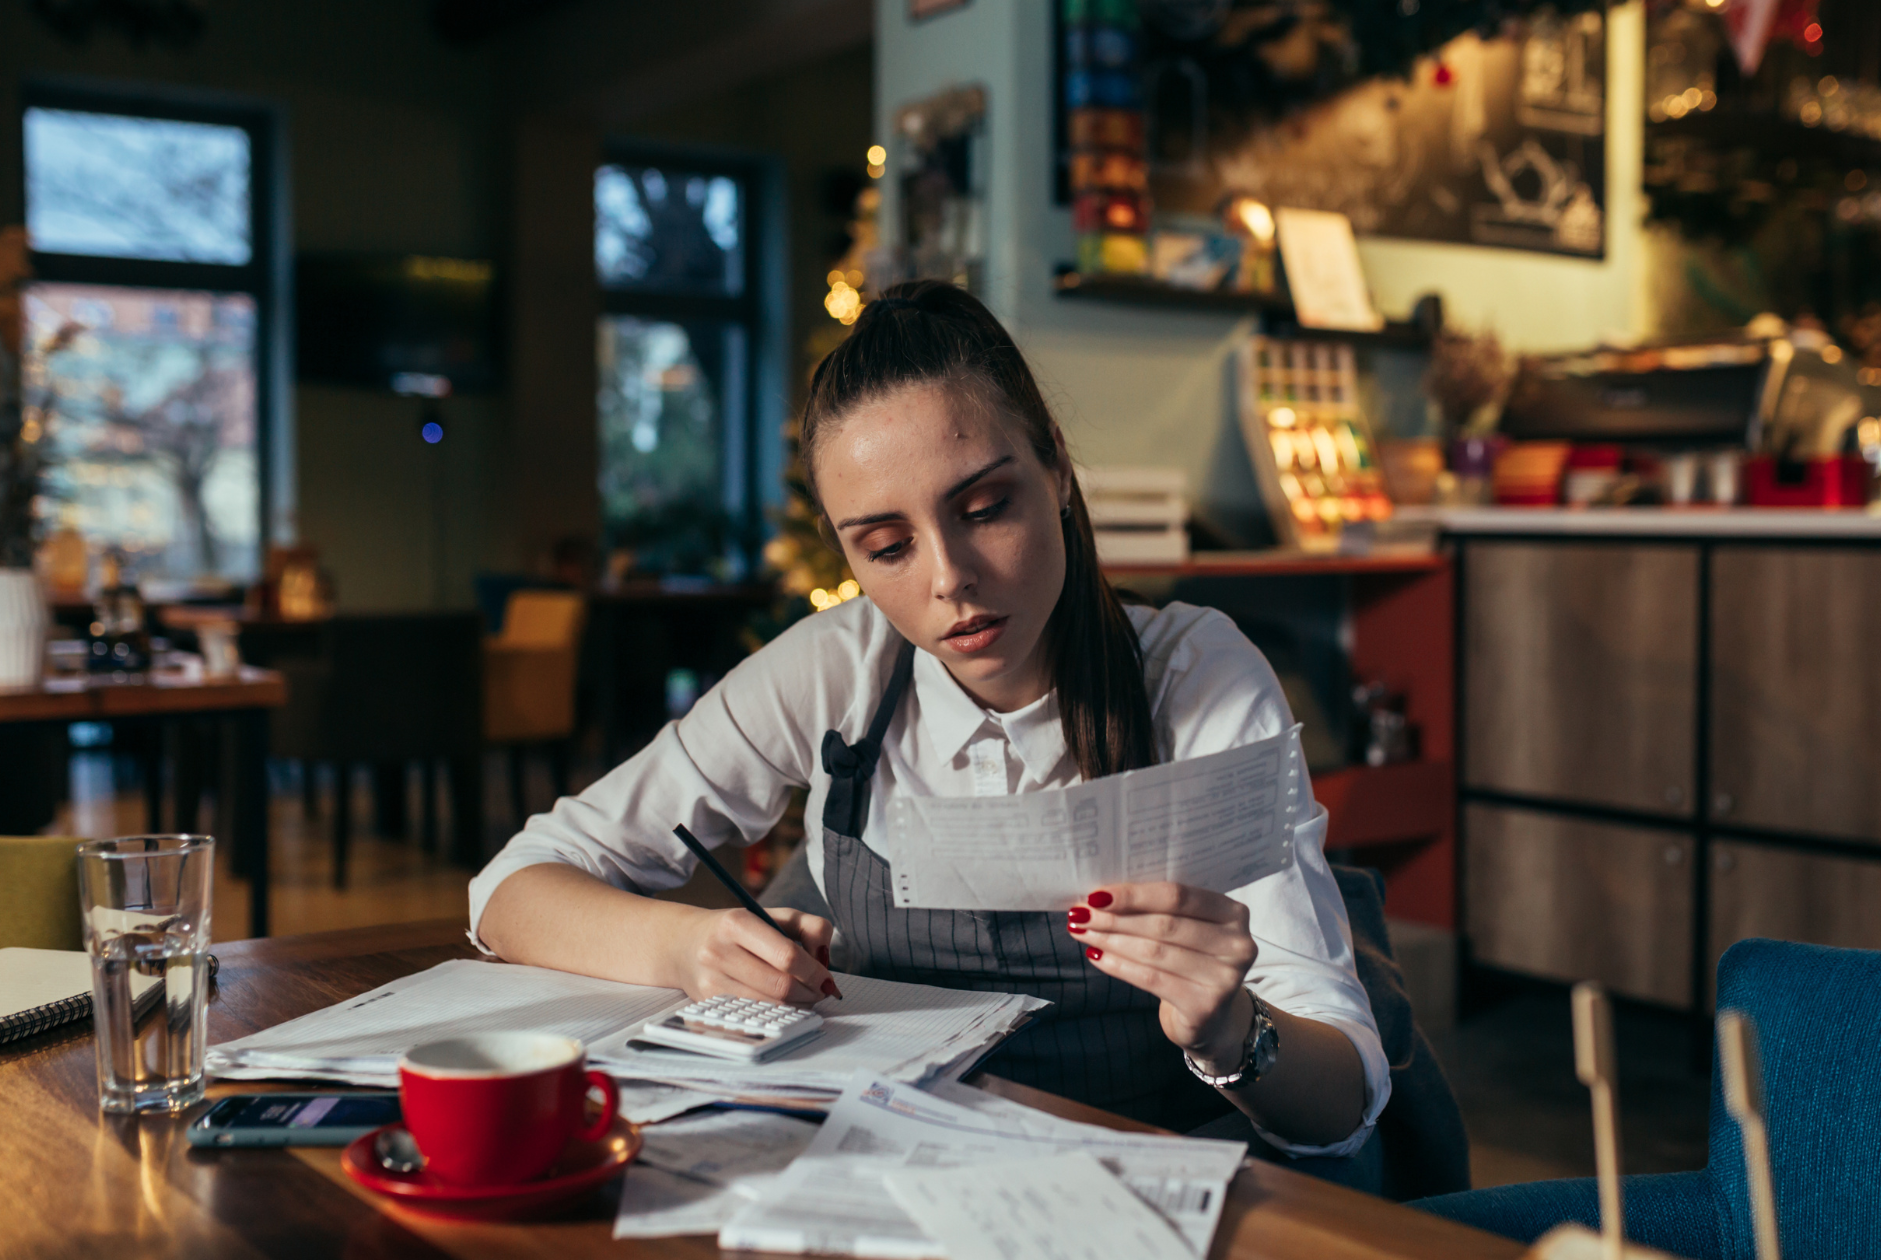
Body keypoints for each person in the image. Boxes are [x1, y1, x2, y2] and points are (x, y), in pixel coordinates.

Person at [472, 279, 1388, 1157]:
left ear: (1057, 469)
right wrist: (687, 943)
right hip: (901, 1183)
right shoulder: (837, 670)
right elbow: (510, 890)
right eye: (887, 546)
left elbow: (1341, 1103)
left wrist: (1236, 1031)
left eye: (986, 507)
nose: (949, 577)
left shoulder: (1194, 678)